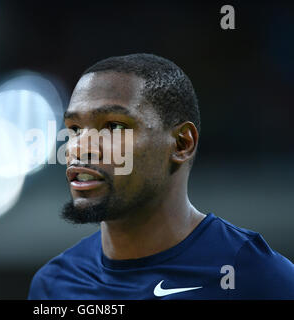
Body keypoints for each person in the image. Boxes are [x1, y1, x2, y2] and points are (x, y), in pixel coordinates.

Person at [28, 53, 294, 299]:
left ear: (181, 144)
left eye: (114, 126)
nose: (78, 147)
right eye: (74, 128)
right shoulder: (54, 285)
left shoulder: (255, 276)